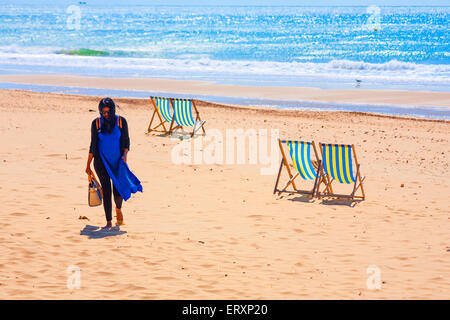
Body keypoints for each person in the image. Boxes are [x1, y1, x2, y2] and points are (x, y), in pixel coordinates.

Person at [85, 97, 142, 229]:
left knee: (117, 189)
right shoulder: (96, 123)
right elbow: (93, 145)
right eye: (103, 112)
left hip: (117, 161)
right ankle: (109, 222)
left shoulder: (121, 121)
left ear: (113, 110)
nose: (106, 114)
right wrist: (88, 165)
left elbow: (126, 141)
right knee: (106, 190)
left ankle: (118, 209)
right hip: (101, 162)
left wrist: (125, 156)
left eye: (108, 112)